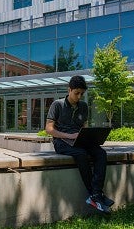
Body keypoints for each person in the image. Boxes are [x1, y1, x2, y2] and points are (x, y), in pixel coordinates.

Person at [45, 75, 114, 214]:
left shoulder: (83, 106)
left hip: (80, 140)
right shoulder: (57, 104)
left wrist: (89, 137)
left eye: (82, 94)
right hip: (61, 141)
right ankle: (96, 194)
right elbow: (49, 129)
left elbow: (85, 126)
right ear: (69, 90)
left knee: (101, 153)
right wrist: (70, 136)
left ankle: (95, 194)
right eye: (76, 93)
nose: (79, 96)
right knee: (81, 154)